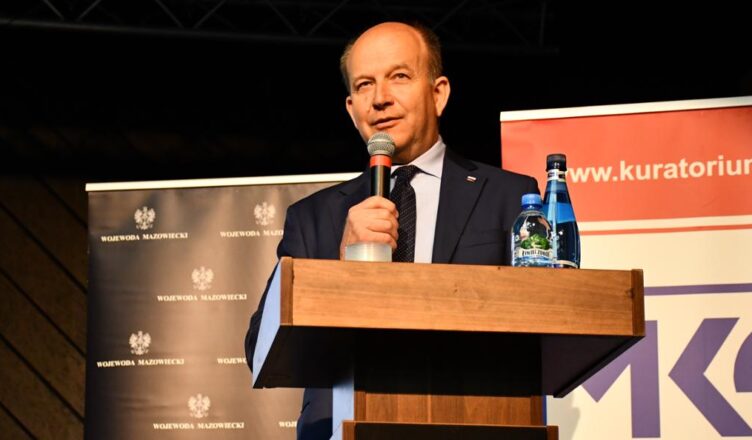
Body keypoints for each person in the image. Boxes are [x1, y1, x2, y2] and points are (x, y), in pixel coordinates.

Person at [245, 21, 538, 440]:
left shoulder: (509, 197)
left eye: (399, 76)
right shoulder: (313, 217)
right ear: (352, 109)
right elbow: (260, 349)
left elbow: (540, 323)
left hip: (475, 424)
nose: (380, 98)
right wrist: (338, 269)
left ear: (438, 93)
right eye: (365, 84)